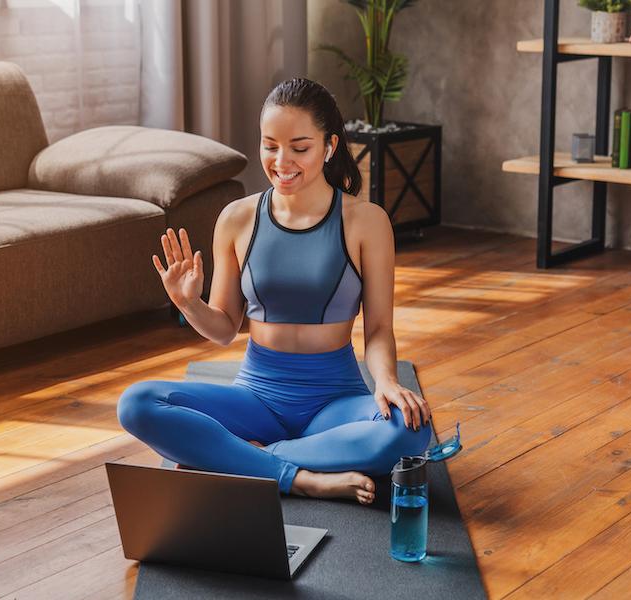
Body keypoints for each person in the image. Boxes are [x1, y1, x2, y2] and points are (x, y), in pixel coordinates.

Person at [117, 78, 432, 505]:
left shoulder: (367, 221)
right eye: (270, 146)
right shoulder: (236, 218)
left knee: (411, 429)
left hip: (335, 401)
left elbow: (378, 328)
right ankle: (302, 477)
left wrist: (389, 382)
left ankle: (246, 460)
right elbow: (225, 327)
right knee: (136, 404)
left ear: (330, 146)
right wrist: (188, 303)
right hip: (256, 398)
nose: (282, 161)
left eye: (299, 148)